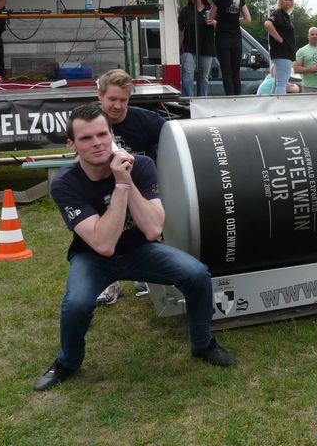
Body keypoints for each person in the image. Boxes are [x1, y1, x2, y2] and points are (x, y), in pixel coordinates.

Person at [33, 104, 234, 391]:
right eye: (86, 138)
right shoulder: (65, 183)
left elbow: (152, 229)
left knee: (197, 274)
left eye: (102, 134)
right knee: (76, 304)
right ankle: (68, 362)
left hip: (140, 250)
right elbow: (103, 244)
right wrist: (120, 187)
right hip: (93, 257)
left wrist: (125, 178)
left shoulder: (140, 165)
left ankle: (203, 344)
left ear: (112, 134)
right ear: (72, 144)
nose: (97, 143)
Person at [95, 69, 166, 304]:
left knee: (150, 228)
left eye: (123, 100)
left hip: (143, 188)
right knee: (102, 229)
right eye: (112, 99)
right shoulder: (90, 122)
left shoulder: (147, 120)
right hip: (106, 188)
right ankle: (108, 282)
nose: (117, 105)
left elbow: (175, 140)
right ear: (100, 95)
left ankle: (146, 276)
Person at [210, 0, 251, 96]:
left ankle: (230, 99)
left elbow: (210, 17)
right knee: (235, 73)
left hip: (223, 39)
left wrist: (222, 21)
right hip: (237, 39)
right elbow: (248, 19)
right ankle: (237, 99)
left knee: (226, 73)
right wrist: (234, 21)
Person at [178, 0, 216, 97]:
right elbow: (179, 29)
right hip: (188, 48)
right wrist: (176, 47)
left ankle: (203, 99)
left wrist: (214, 23)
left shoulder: (210, 9)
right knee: (187, 75)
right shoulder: (186, 11)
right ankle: (188, 99)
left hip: (207, 48)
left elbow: (222, 27)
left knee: (204, 77)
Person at [264, 0, 296, 95]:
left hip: (283, 54)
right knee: (282, 83)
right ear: (280, 1)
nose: (288, 2)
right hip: (282, 53)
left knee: (277, 84)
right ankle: (280, 104)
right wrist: (278, 38)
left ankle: (271, 103)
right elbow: (268, 24)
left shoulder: (285, 15)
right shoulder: (278, 13)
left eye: (290, 0)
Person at [293, 26, 317, 92]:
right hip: (307, 87)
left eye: (316, 34)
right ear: (308, 36)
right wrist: (310, 69)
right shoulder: (301, 51)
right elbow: (296, 69)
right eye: (312, 34)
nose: (315, 36)